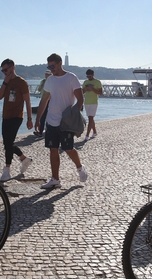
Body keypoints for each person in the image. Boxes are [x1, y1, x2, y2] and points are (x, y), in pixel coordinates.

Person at [35, 53, 87, 189]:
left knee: (68, 148)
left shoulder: (71, 78)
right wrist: (37, 119)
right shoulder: (50, 80)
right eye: (48, 66)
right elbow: (44, 100)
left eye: (52, 66)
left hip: (66, 121)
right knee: (53, 149)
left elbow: (80, 99)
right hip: (51, 120)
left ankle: (80, 168)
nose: (51, 69)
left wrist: (74, 114)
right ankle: (55, 179)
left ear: (59, 63)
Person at [0, 58, 33, 182]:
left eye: (6, 70)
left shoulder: (21, 82)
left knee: (8, 143)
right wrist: (5, 82)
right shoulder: (6, 82)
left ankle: (7, 170)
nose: (4, 72)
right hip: (5, 116)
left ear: (12, 68)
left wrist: (29, 119)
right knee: (7, 143)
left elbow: (28, 101)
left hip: (17, 116)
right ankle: (24, 158)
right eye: (2, 71)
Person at [82, 69, 103, 141]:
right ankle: (94, 132)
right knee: (90, 118)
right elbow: (82, 92)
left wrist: (92, 89)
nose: (88, 77)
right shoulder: (85, 82)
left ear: (93, 74)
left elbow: (100, 92)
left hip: (94, 102)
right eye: (87, 76)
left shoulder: (97, 82)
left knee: (90, 118)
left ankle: (87, 135)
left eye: (90, 75)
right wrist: (86, 89)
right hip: (86, 102)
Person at [33, 70, 51, 137]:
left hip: (50, 100)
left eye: (47, 74)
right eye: (46, 74)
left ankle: (47, 130)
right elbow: (39, 89)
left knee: (48, 116)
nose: (46, 75)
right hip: (44, 99)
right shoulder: (43, 81)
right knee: (43, 116)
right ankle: (40, 131)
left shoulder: (52, 80)